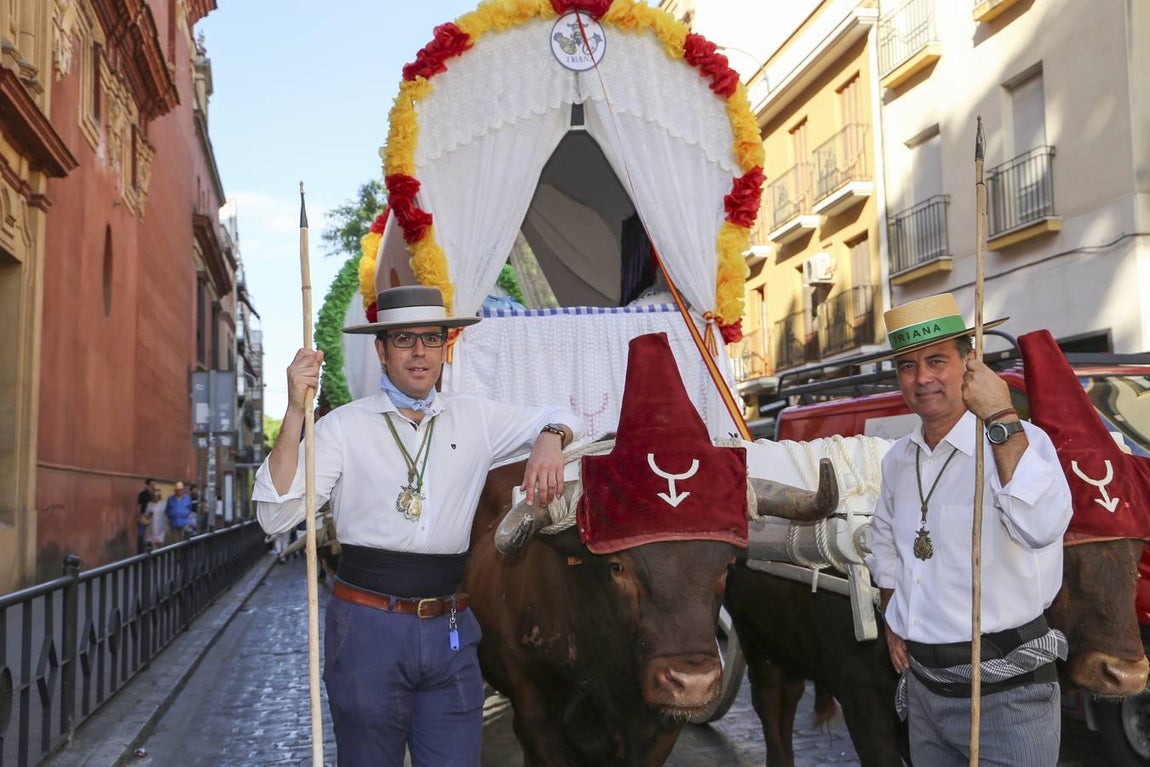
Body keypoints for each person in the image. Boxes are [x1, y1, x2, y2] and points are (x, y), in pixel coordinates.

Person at [252, 285, 582, 767]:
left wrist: (551, 439)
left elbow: (564, 415)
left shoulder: (476, 418)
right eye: (404, 339)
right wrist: (297, 413)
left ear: (446, 347)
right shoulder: (343, 427)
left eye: (431, 338)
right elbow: (276, 513)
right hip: (368, 629)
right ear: (381, 350)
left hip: (451, 629)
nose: (419, 351)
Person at [865, 293, 1072, 766]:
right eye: (906, 365)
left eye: (937, 360)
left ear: (969, 364)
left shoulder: (1023, 441)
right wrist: (896, 613)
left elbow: (1040, 527)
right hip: (924, 693)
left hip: (1007, 697)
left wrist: (999, 415)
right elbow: (885, 543)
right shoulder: (899, 459)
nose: (921, 378)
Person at [137, 478, 156, 553]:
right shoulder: (142, 494)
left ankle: (151, 552)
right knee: (141, 535)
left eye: (154, 484)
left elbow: (156, 502)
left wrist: (151, 492)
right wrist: (138, 516)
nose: (153, 486)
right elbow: (139, 505)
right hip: (143, 516)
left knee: (151, 536)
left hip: (153, 517)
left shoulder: (156, 493)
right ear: (147, 485)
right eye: (152, 484)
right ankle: (140, 553)